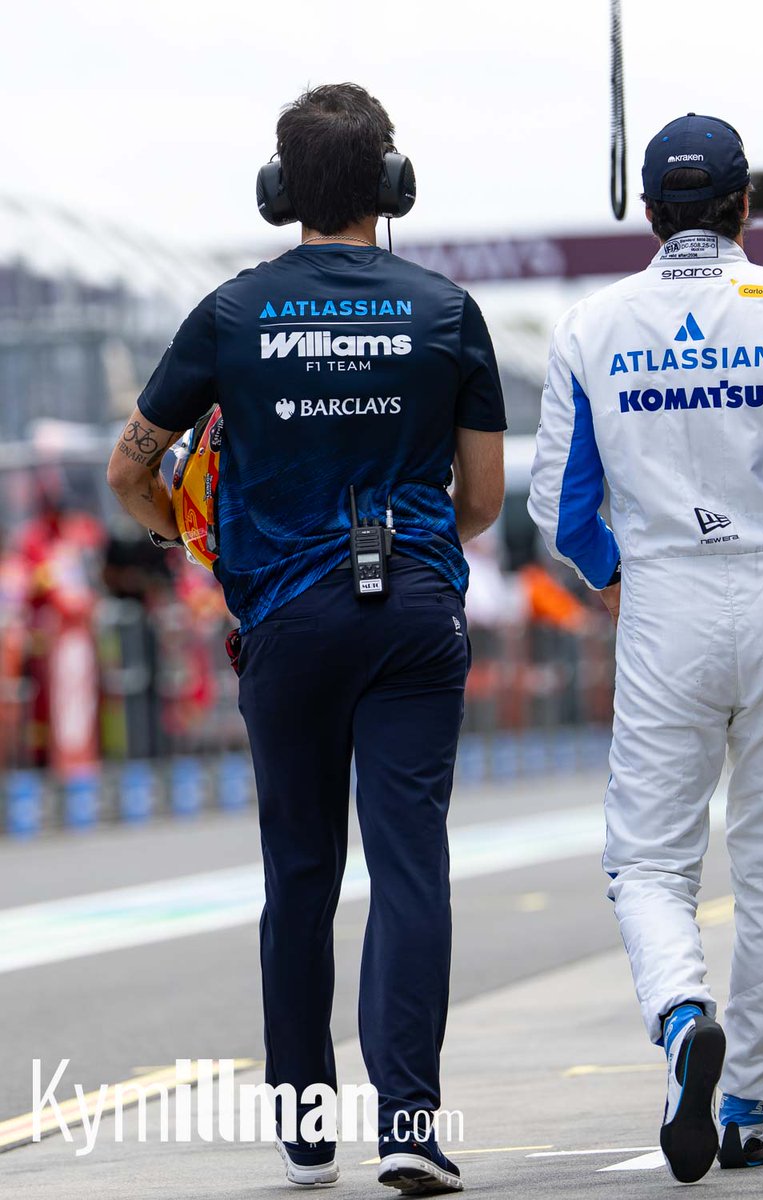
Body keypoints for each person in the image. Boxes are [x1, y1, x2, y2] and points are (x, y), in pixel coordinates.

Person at [108, 82, 506, 1193]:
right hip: (415, 607)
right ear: (392, 187)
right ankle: (414, 1125)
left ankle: (302, 1126)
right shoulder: (447, 311)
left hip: (283, 615)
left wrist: (204, 548)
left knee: (299, 874)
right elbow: (479, 498)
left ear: (281, 192)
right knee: (409, 863)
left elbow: (128, 470)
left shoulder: (231, 315)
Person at [528, 113, 763, 1183]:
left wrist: (620, 574)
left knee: (648, 858)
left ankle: (680, 1013)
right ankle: (742, 1105)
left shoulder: (589, 327)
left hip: (665, 603)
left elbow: (559, 514)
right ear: (745, 207)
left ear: (649, 213)